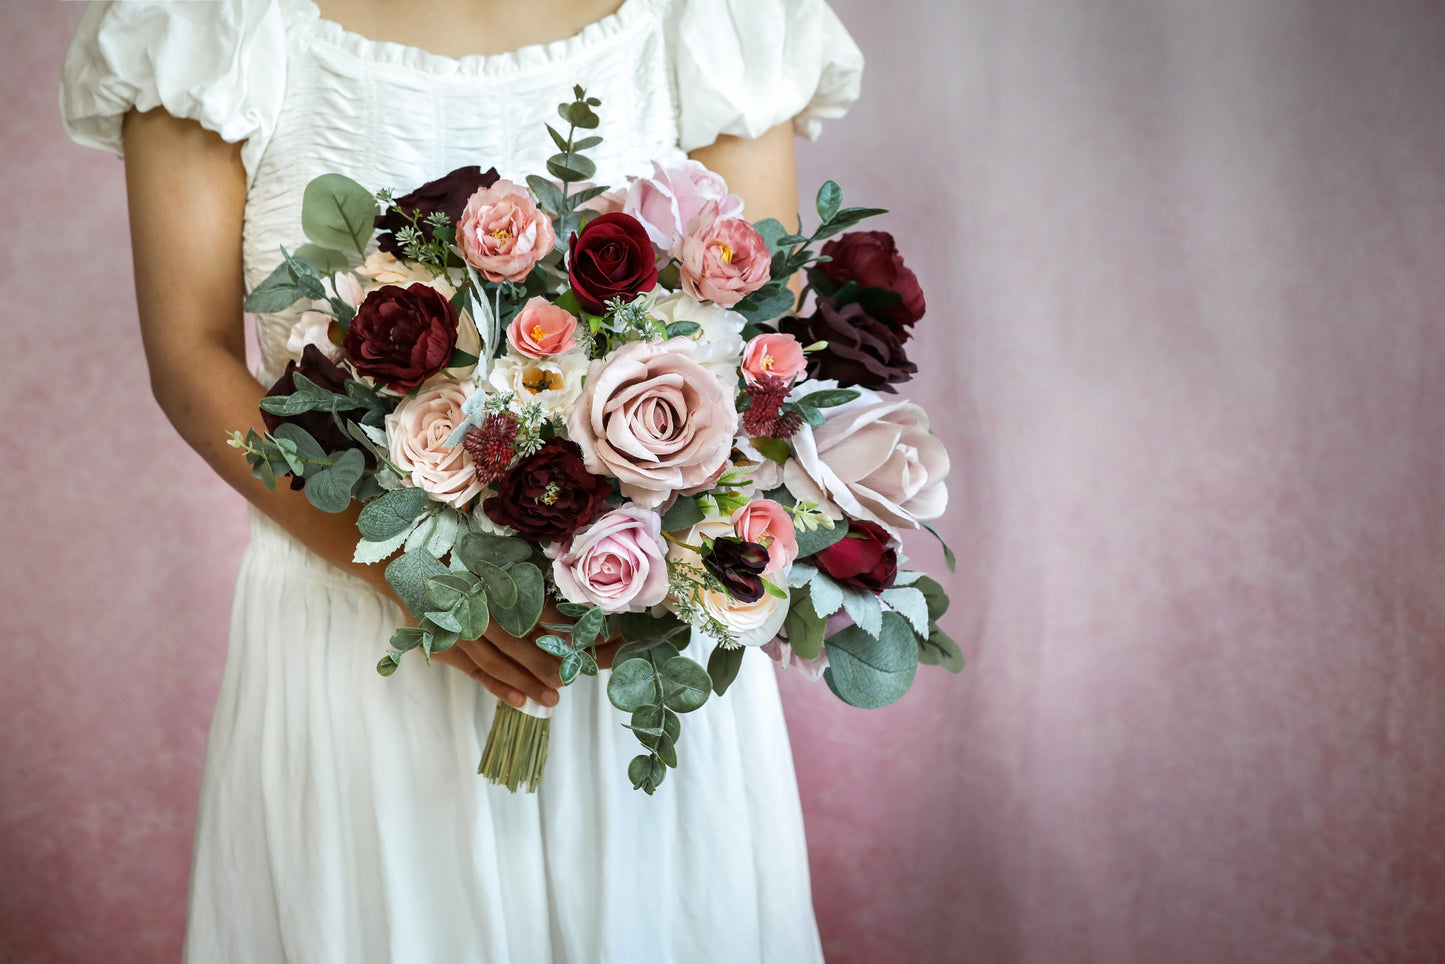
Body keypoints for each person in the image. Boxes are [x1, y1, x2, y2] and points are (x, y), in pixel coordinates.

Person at [61, 0, 862, 959]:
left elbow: (750, 349)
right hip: (352, 632)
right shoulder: (208, 26)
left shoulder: (713, 22)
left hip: (616, 646)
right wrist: (407, 568)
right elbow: (191, 360)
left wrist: (624, 558)